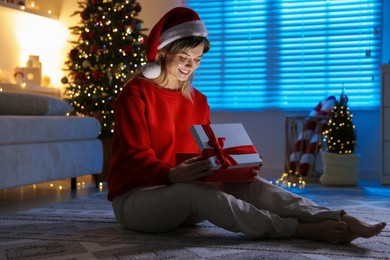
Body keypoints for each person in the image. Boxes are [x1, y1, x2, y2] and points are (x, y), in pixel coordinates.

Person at [107, 7, 386, 244]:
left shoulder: (198, 101)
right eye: (183, 59)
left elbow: (201, 155)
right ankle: (299, 229)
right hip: (137, 199)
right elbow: (135, 159)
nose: (190, 67)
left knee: (250, 183)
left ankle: (336, 217)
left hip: (182, 198)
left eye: (197, 60)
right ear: (163, 52)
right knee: (192, 192)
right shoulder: (135, 94)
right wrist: (171, 175)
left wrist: (236, 166)